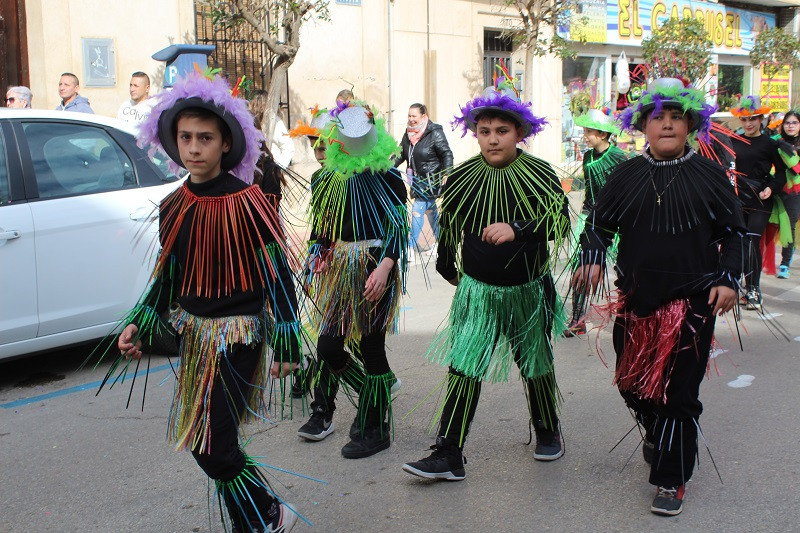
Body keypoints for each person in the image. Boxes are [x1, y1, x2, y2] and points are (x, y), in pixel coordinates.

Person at [106, 72, 303, 532]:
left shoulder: (250, 201)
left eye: (205, 139)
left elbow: (277, 276)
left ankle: (266, 514)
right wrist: (141, 320)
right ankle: (255, 517)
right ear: (174, 142)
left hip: (239, 334)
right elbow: (168, 275)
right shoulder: (173, 205)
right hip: (194, 336)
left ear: (225, 144)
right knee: (212, 439)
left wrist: (291, 344)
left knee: (210, 442)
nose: (194, 148)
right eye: (186, 138)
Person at [573, 78, 745, 516]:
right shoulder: (626, 173)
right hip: (636, 300)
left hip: (692, 303)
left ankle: (672, 478)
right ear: (642, 126)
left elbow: (734, 231)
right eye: (657, 118)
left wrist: (728, 277)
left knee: (678, 395)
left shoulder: (708, 173)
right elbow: (599, 224)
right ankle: (657, 430)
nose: (666, 125)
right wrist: (591, 254)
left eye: (675, 118)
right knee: (632, 384)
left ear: (690, 125)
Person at [402, 76, 570, 482]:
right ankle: (449, 452)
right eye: (484, 131)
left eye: (502, 131)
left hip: (526, 291)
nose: (492, 139)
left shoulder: (541, 174)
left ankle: (548, 431)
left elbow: (560, 221)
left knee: (535, 363)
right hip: (478, 291)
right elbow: (453, 224)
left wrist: (518, 229)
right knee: (463, 367)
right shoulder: (461, 178)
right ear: (474, 133)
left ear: (519, 133)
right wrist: (447, 265)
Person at [297, 101, 408, 459]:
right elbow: (322, 228)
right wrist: (317, 256)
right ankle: (373, 396)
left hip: (376, 263)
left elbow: (398, 227)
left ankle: (375, 428)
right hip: (340, 266)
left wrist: (386, 267)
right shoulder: (323, 178)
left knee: (372, 348)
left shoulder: (386, 174)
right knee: (329, 346)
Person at [564, 106, 626, 336]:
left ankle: (628, 309)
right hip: (590, 217)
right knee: (580, 266)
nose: (585, 136)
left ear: (602, 134)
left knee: (623, 266)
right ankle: (578, 317)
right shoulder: (588, 156)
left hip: (616, 219)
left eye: (589, 132)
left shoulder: (619, 157)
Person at [730, 95, 786, 309]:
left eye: (753, 119)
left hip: (761, 198)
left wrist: (771, 188)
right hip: (737, 197)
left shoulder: (770, 144)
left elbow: (780, 174)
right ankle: (734, 286)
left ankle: (753, 289)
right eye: (744, 120)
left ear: (761, 119)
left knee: (752, 240)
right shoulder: (733, 141)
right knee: (737, 241)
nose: (749, 123)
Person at [395, 103, 453, 262]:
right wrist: (387, 167)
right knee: (431, 212)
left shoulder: (434, 132)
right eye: (409, 116)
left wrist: (447, 172)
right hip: (416, 180)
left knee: (418, 210)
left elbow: (446, 153)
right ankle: (441, 243)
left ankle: (410, 248)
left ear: (423, 116)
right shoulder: (408, 134)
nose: (411, 119)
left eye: (414, 116)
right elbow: (401, 154)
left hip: (431, 180)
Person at [773, 110, 800, 278]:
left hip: (796, 191)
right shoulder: (777, 142)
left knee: (789, 226)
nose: (790, 126)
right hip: (777, 188)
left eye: (794, 123)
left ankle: (784, 263)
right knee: (774, 226)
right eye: (788, 123)